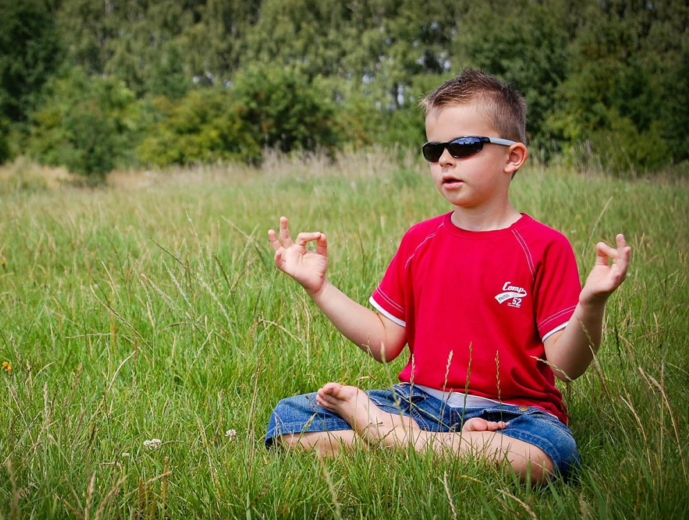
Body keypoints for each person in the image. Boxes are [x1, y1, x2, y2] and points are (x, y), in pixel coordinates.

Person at [264, 68, 631, 484]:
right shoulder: (419, 241)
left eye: (465, 145)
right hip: (419, 403)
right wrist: (319, 288)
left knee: (546, 457)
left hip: (514, 414)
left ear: (513, 157)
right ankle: (432, 444)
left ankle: (393, 439)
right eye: (434, 149)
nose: (444, 159)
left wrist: (592, 303)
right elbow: (386, 342)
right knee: (289, 420)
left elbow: (564, 368)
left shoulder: (544, 246)